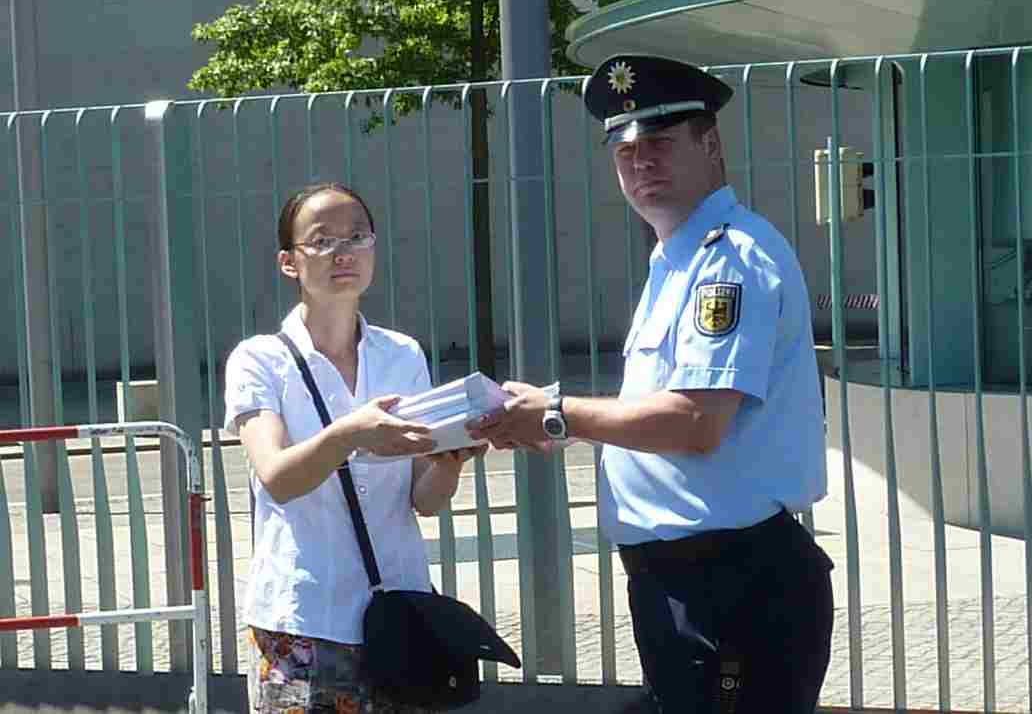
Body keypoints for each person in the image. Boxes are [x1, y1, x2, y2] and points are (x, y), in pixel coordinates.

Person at [469, 55, 834, 713]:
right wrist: (552, 418)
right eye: (625, 151)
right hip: (690, 580)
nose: (641, 163)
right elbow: (660, 413)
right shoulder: (680, 259)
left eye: (660, 144)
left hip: (730, 583)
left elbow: (695, 422)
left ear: (710, 145)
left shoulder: (728, 260)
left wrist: (557, 413)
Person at [223, 182, 484, 713]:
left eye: (358, 237)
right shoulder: (259, 360)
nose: (343, 253)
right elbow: (277, 477)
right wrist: (350, 433)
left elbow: (425, 500)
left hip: (399, 612)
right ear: (289, 262)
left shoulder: (402, 354)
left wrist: (449, 460)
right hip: (305, 620)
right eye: (322, 241)